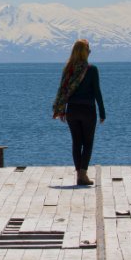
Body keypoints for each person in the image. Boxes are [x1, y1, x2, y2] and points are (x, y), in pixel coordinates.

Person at [52, 39, 106, 186]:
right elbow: (97, 92)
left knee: (76, 142)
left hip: (72, 111)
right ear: (84, 52)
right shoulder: (92, 69)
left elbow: (62, 91)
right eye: (88, 49)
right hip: (88, 110)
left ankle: (78, 175)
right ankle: (83, 175)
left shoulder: (68, 69)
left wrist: (61, 110)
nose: (90, 52)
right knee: (88, 143)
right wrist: (102, 111)